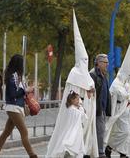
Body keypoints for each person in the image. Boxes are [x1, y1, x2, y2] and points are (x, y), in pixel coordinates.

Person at [46, 10, 98, 158]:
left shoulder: (87, 75)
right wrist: (84, 94)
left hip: (87, 109)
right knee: (73, 135)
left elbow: (91, 89)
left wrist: (91, 92)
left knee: (84, 136)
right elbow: (73, 93)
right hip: (76, 110)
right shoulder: (74, 73)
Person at [104, 34, 130, 158]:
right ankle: (109, 147)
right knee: (122, 132)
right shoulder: (116, 83)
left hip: (126, 110)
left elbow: (128, 95)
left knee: (126, 132)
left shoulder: (126, 83)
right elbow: (123, 94)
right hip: (117, 110)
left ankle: (122, 152)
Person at [0, 54, 37, 158]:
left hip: (17, 107)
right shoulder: (12, 76)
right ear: (19, 64)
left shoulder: (19, 76)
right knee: (24, 132)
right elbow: (13, 94)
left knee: (6, 133)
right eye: (22, 63)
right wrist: (25, 90)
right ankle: (33, 155)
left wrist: (27, 89)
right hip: (13, 107)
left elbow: (20, 92)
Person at [90, 54, 112, 158]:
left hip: (101, 109)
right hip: (96, 109)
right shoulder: (93, 75)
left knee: (101, 130)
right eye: (105, 62)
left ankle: (98, 151)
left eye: (107, 62)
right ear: (98, 63)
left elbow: (106, 93)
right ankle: (100, 152)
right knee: (99, 130)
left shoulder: (103, 75)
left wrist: (107, 109)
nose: (107, 64)